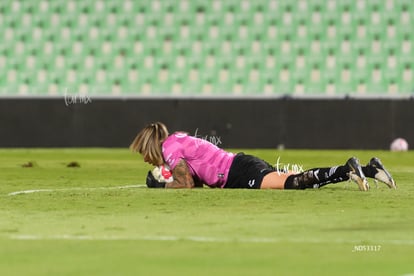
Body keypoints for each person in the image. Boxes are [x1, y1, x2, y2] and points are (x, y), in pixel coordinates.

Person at [130, 122, 396, 191]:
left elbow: (186, 184)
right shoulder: (177, 139)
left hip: (238, 172)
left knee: (294, 183)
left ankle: (348, 169)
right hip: (240, 163)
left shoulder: (169, 149)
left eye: (143, 153)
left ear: (150, 146)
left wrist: (160, 185)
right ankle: (368, 169)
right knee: (294, 180)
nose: (145, 159)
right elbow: (197, 179)